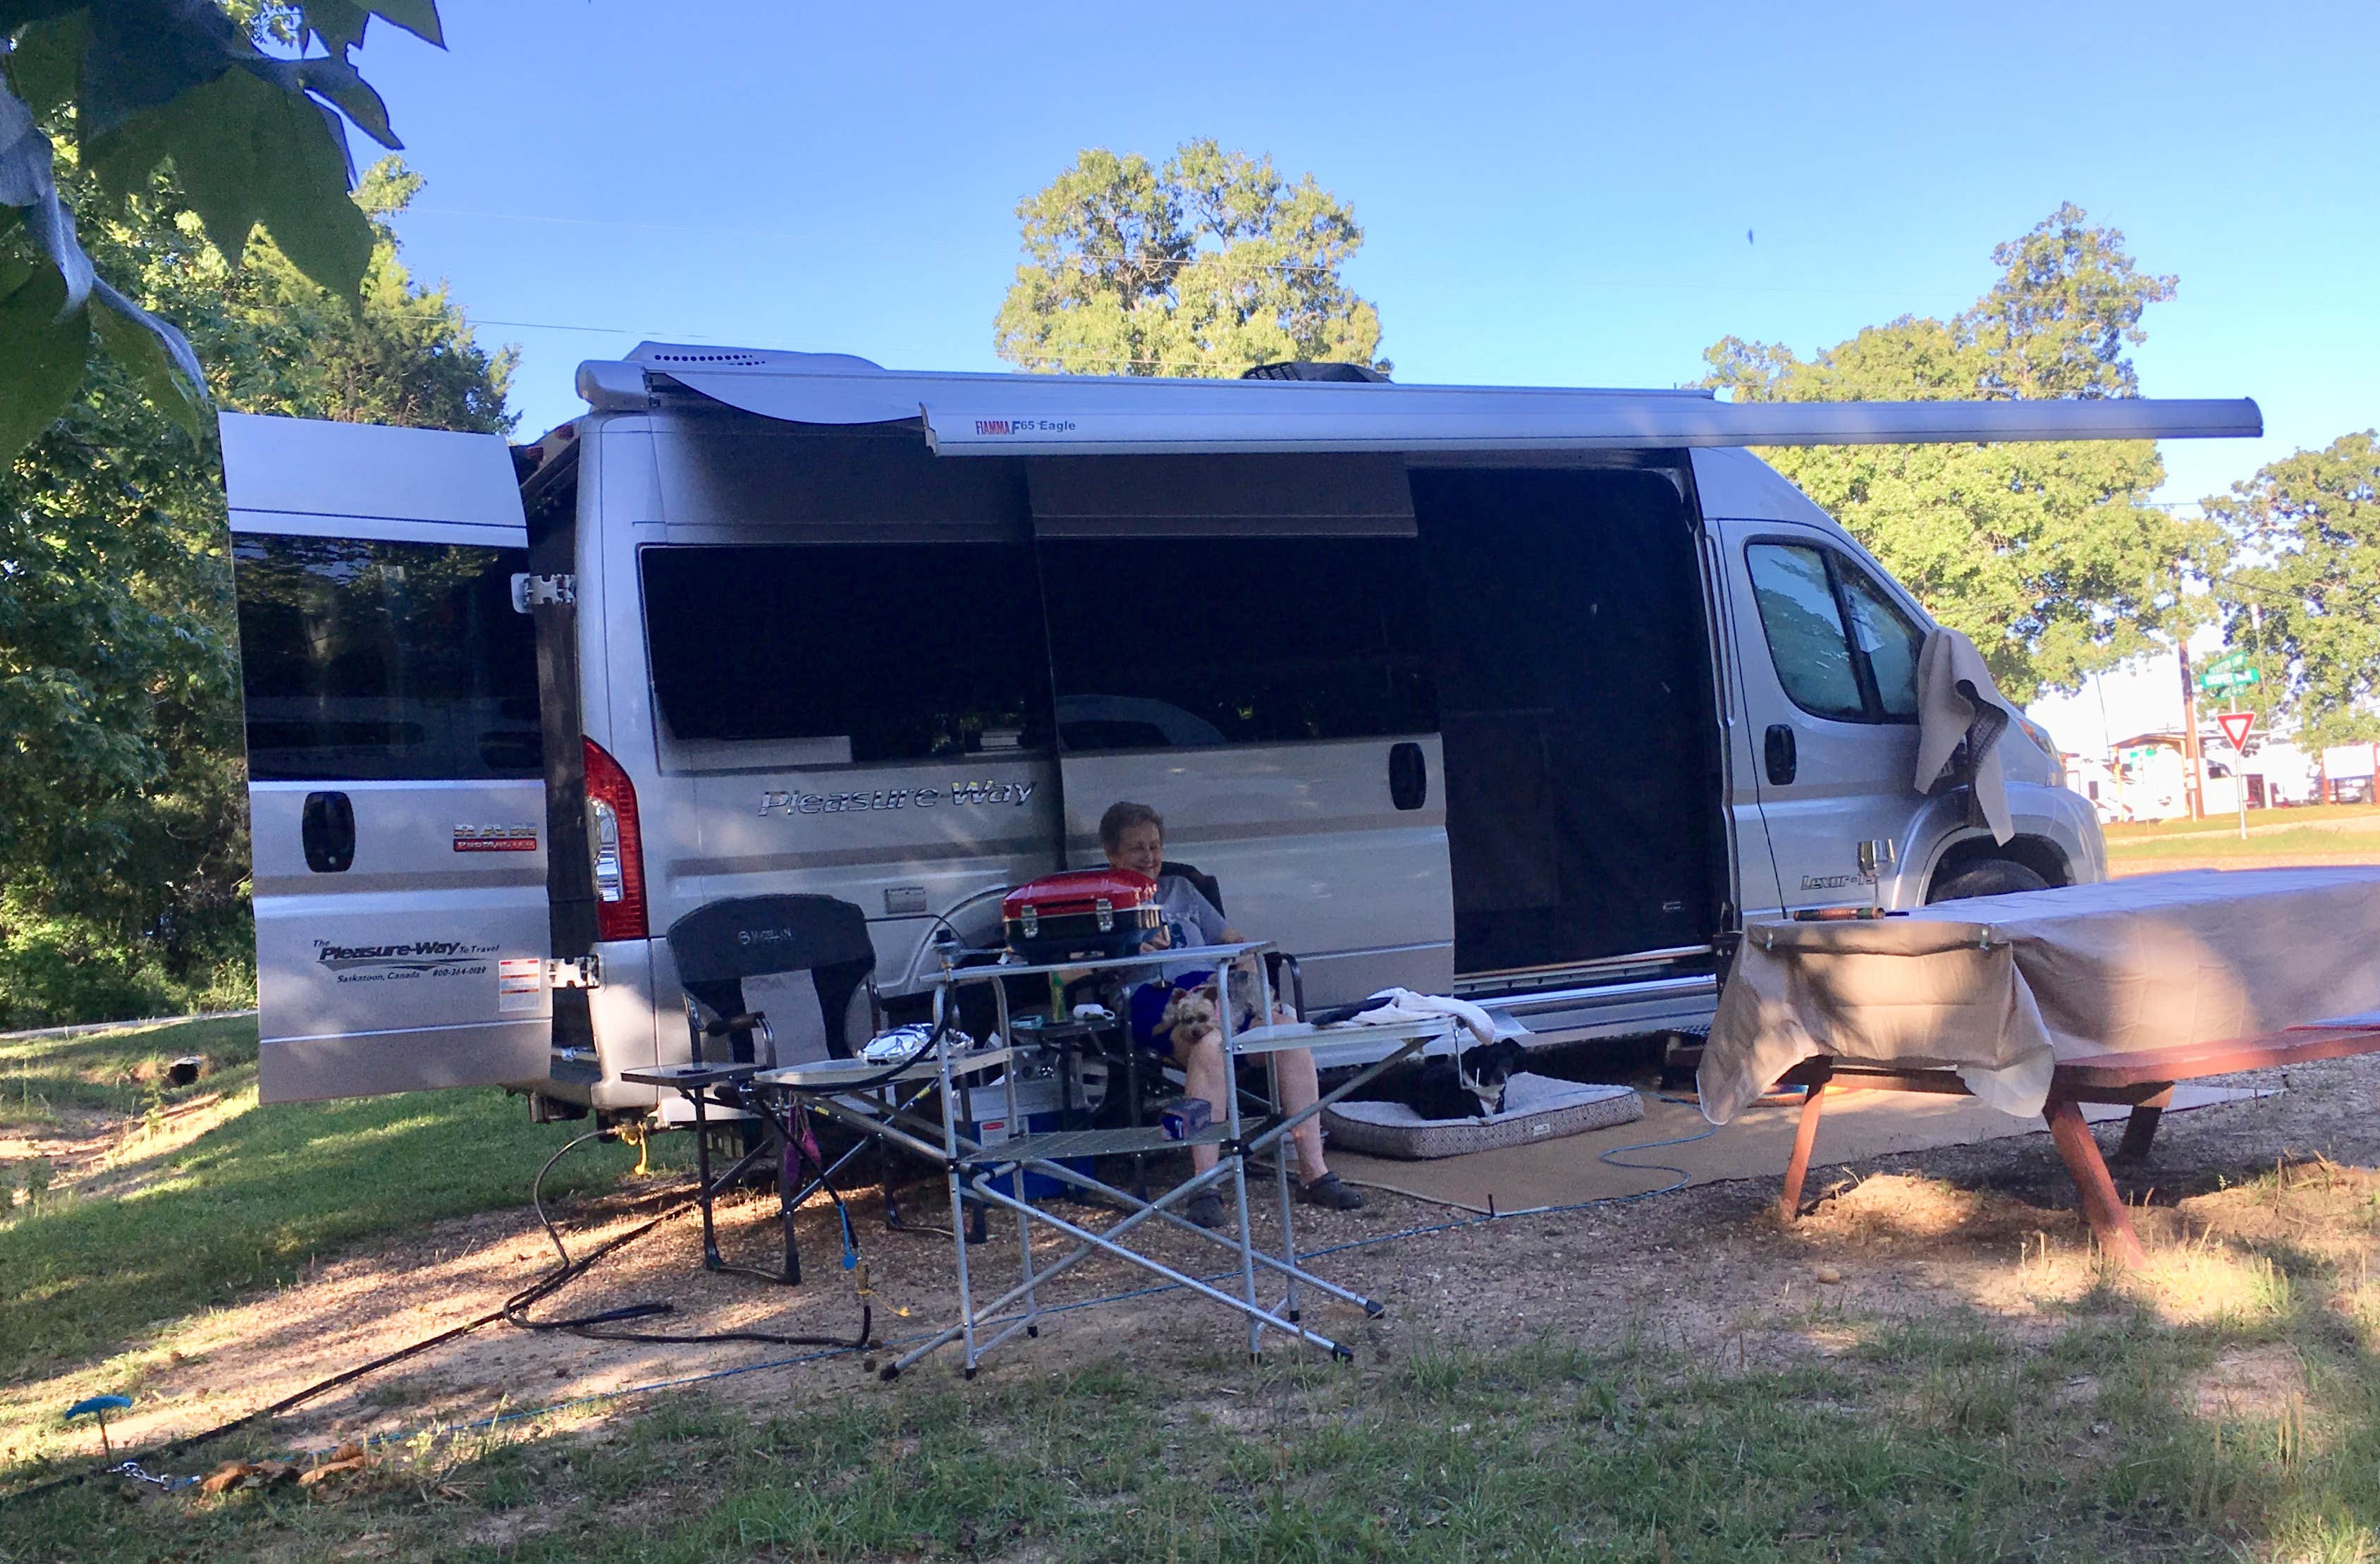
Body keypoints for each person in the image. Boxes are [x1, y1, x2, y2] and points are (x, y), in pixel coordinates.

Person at [1098, 800, 1365, 1226]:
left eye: (1155, 846)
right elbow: (1071, 968)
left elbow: (1233, 940)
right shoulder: (1102, 903)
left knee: (1288, 1033)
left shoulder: (1182, 890)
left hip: (1216, 990)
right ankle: (1205, 1185)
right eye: (1136, 849)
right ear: (1112, 854)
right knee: (1210, 1046)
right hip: (1156, 999)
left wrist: (1243, 977)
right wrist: (1125, 949)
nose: (1150, 857)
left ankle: (1314, 1172)